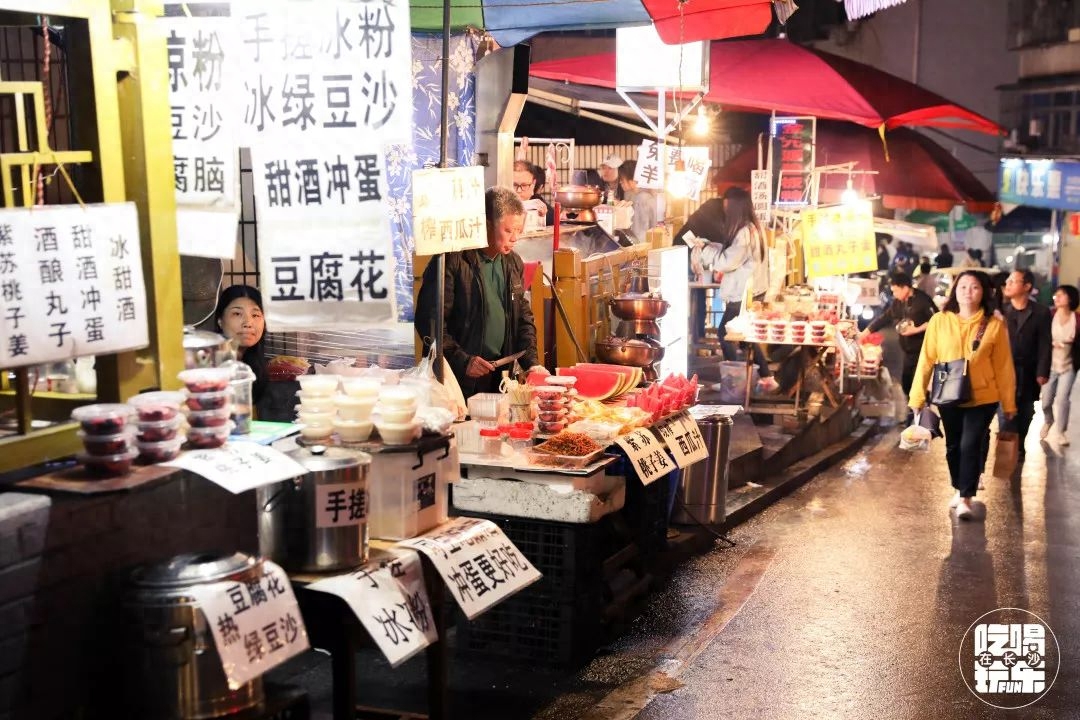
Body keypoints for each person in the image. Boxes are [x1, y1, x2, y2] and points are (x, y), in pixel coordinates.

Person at [415, 186, 547, 400]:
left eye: (519, 231)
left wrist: (532, 363)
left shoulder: (513, 262)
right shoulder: (452, 260)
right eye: (508, 230)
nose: (515, 238)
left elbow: (523, 317)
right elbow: (428, 321)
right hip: (457, 380)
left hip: (497, 377)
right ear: (486, 225)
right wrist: (463, 360)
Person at [909, 270, 1016, 520]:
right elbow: (926, 359)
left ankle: (966, 497)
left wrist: (1009, 403)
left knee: (970, 444)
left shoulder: (994, 325)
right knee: (953, 445)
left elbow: (1003, 367)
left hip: (984, 397)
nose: (968, 291)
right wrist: (917, 397)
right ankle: (959, 486)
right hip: (948, 395)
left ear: (984, 293)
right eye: (963, 286)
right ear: (955, 291)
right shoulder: (940, 321)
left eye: (975, 287)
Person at [697, 187, 779, 393]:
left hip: (742, 293)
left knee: (726, 332)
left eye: (727, 208)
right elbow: (734, 254)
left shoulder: (744, 232)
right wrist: (711, 245)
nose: (725, 212)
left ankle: (732, 381)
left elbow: (728, 262)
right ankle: (767, 377)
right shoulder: (754, 228)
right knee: (744, 335)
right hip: (751, 290)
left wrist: (705, 250)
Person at [859, 271, 937, 419]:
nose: (894, 294)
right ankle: (913, 413)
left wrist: (916, 329)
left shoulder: (922, 300)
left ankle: (923, 418)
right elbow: (885, 317)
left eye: (895, 290)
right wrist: (864, 333)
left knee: (920, 385)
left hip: (923, 350)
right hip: (908, 351)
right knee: (907, 383)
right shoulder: (898, 302)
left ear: (905, 288)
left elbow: (937, 320)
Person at [999, 269, 1051, 454]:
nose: (1008, 284)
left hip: (1029, 371)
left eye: (1014, 281)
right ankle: (1007, 451)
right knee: (1006, 413)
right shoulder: (1002, 312)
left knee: (1026, 411)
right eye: (1008, 280)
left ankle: (1019, 444)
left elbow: (1045, 343)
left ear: (1027, 286)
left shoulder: (1041, 312)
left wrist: (1042, 370)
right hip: (1005, 370)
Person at [214, 284, 268, 406]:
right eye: (237, 314)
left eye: (255, 315)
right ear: (220, 321)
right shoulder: (212, 364)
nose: (248, 323)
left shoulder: (252, 363)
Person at [1040, 284, 1080, 445]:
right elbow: (1042, 338)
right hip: (1050, 365)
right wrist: (1052, 343)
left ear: (1070, 298)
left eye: (1061, 295)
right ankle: (1048, 420)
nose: (1057, 298)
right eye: (1056, 295)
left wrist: (1072, 343)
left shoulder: (1076, 319)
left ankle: (1061, 432)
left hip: (1069, 365)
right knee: (1046, 401)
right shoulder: (1049, 315)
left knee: (1063, 399)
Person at [617, 161, 658, 241]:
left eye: (622, 179)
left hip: (643, 245)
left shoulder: (641, 198)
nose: (620, 182)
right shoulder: (643, 195)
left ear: (632, 180)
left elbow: (640, 232)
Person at [512, 160, 554, 225]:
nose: (519, 190)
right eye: (514, 185)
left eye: (524, 185)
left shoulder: (541, 206)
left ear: (533, 184)